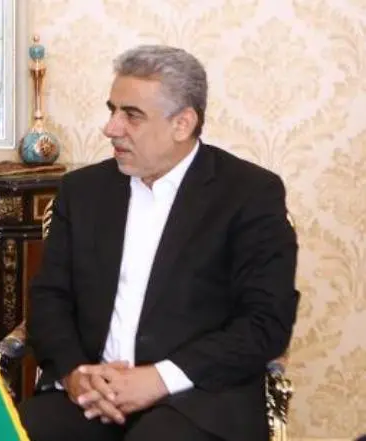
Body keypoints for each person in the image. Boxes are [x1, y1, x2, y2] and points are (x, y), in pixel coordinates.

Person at [17, 44, 299, 441]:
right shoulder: (82, 191)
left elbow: (265, 322)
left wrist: (159, 379)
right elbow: (49, 298)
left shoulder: (249, 193)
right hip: (91, 395)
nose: (111, 128)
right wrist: (74, 373)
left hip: (198, 398)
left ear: (182, 124)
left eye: (131, 115)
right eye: (112, 110)